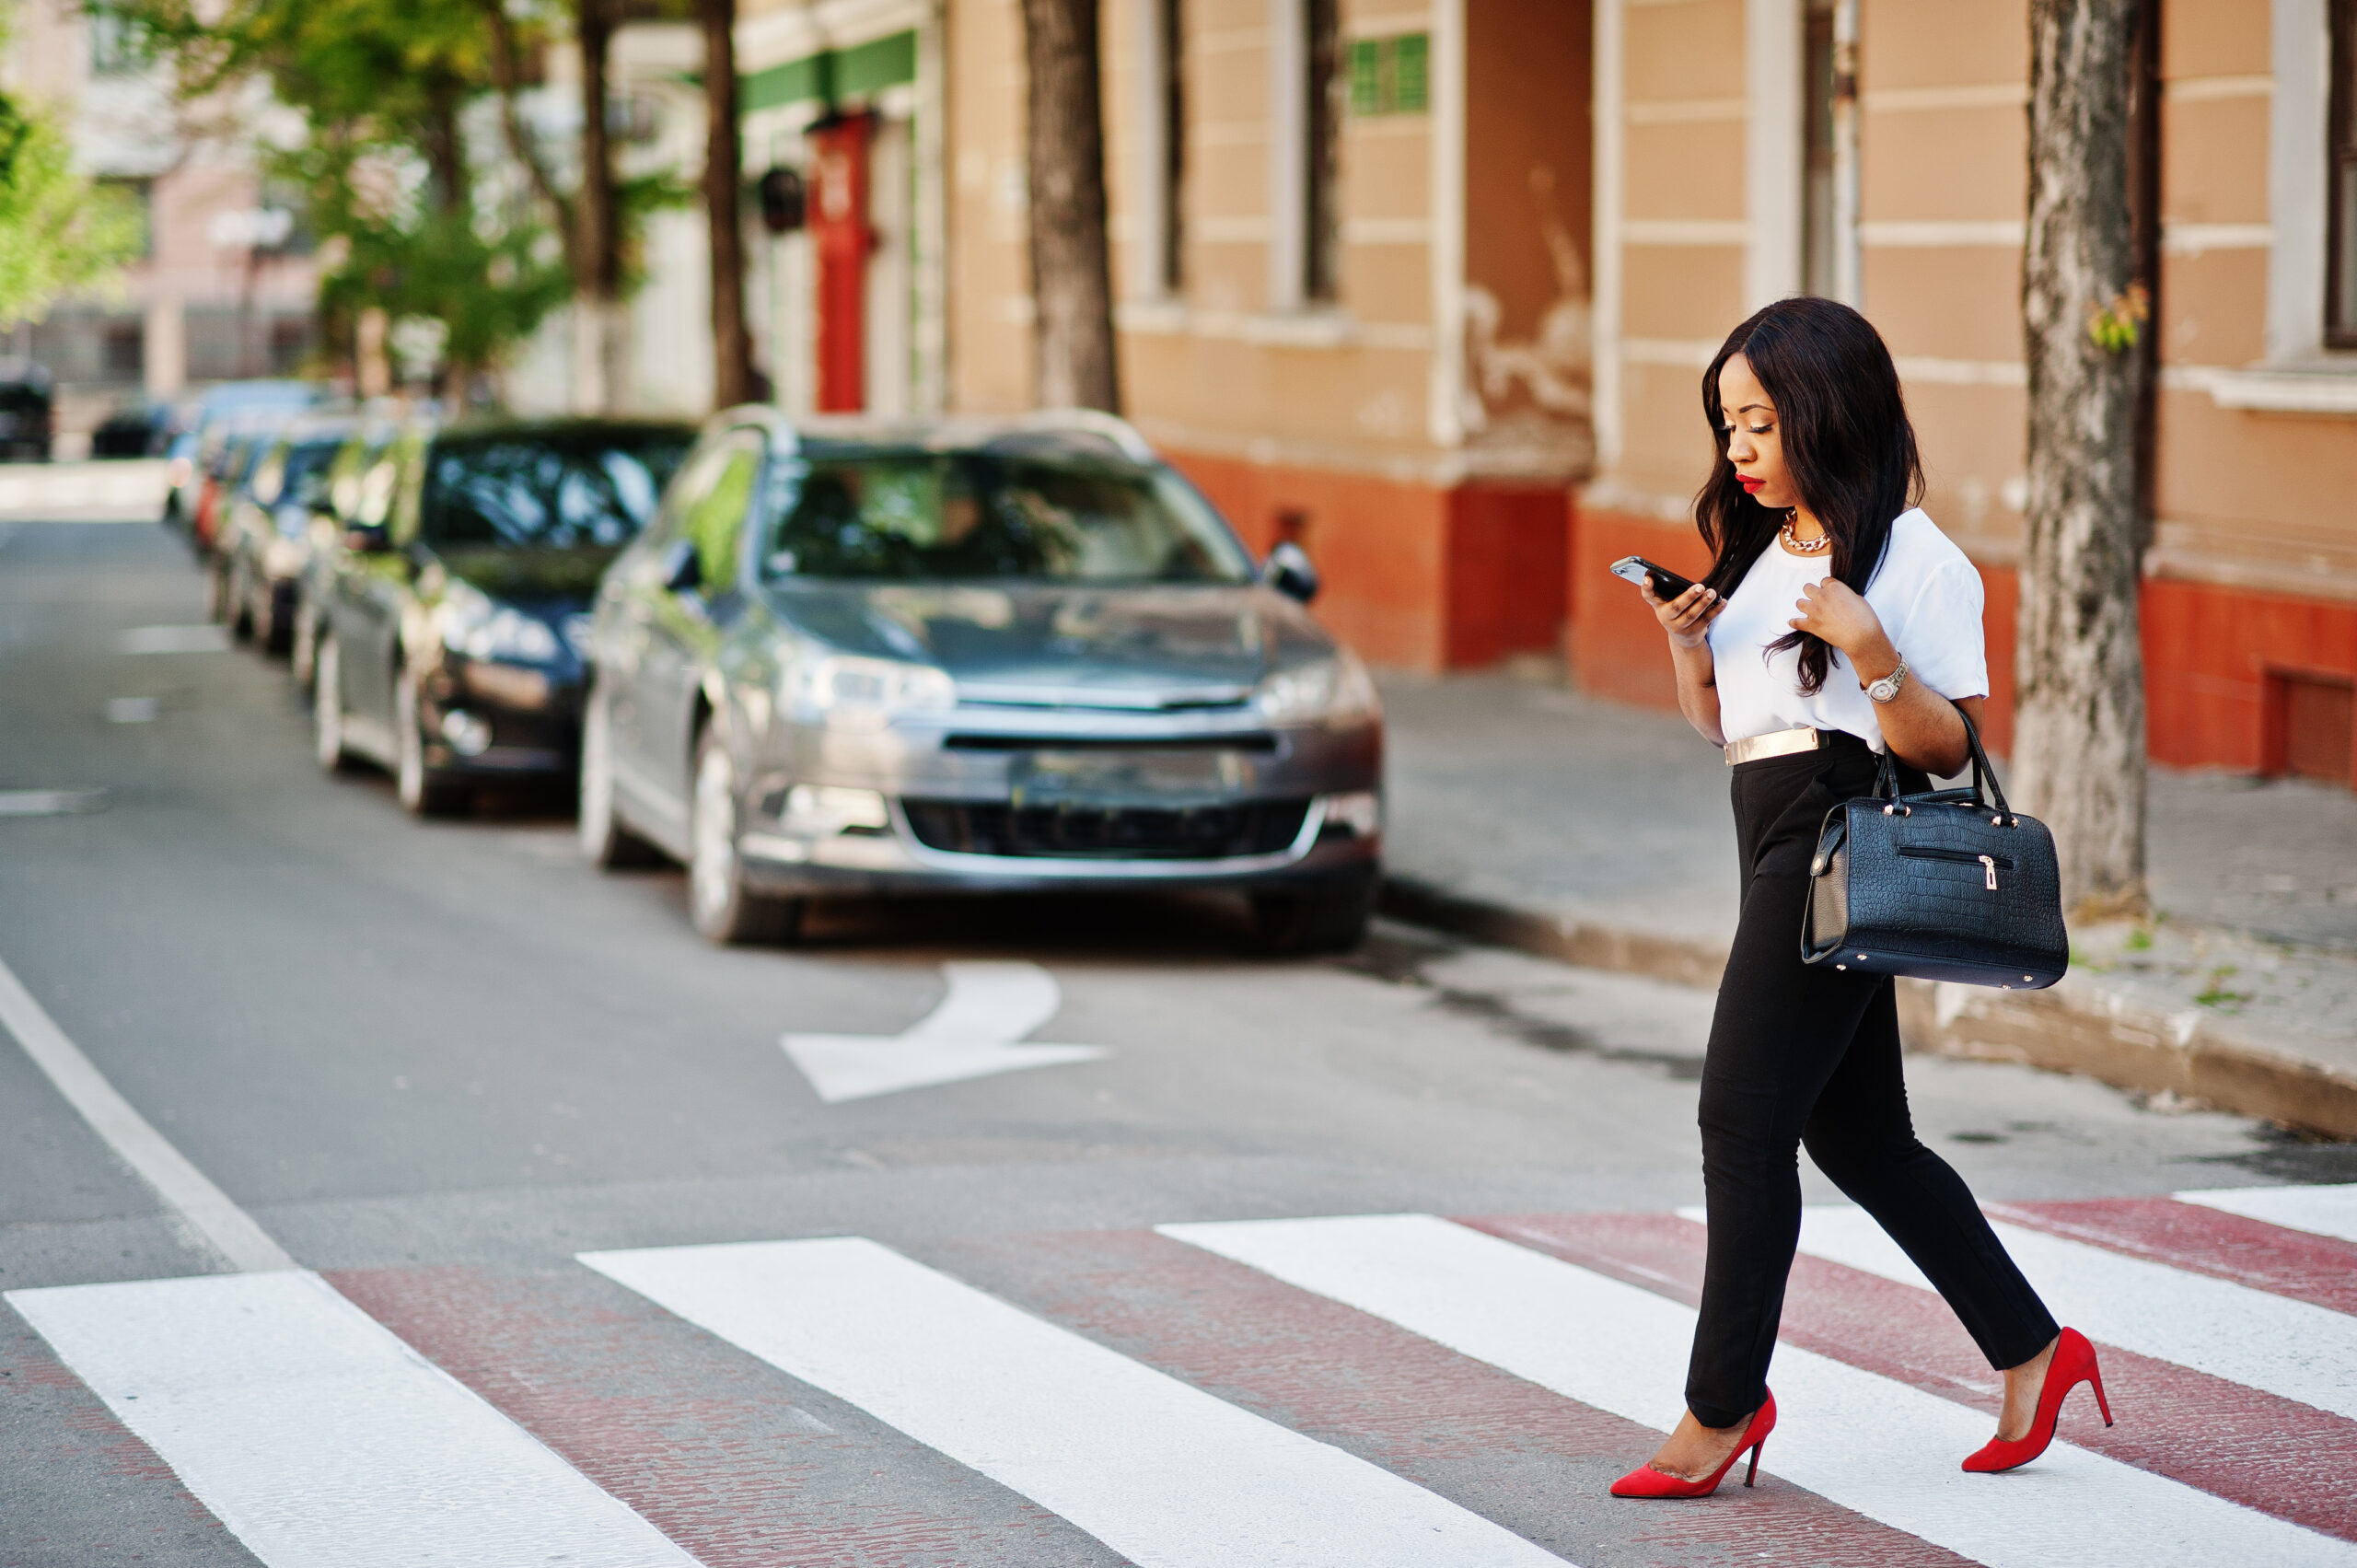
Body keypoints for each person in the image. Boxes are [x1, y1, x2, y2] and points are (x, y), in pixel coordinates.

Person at [1610, 297, 2111, 1499]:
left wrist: (1873, 648)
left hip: (1840, 833)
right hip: (1766, 824)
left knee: (1741, 1122)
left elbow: (1943, 751)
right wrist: (1690, 643)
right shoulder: (1757, 544)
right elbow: (1730, 730)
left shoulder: (1916, 559)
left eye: (1758, 422)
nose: (1736, 448)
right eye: (1726, 423)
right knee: (1862, 1139)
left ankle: (1721, 1405)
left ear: (1824, 413)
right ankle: (2035, 1349)